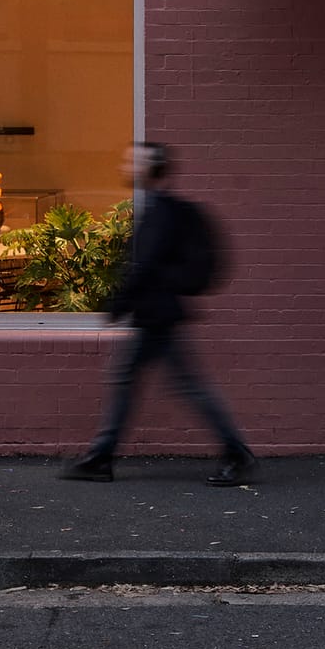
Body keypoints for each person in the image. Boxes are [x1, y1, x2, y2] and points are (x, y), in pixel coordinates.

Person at [62, 142, 257, 487]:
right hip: (156, 314)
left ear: (150, 168)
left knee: (186, 387)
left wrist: (117, 303)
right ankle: (101, 456)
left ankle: (237, 453)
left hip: (157, 315)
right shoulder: (156, 207)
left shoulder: (160, 210)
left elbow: (145, 265)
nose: (127, 165)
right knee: (141, 383)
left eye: (134, 160)